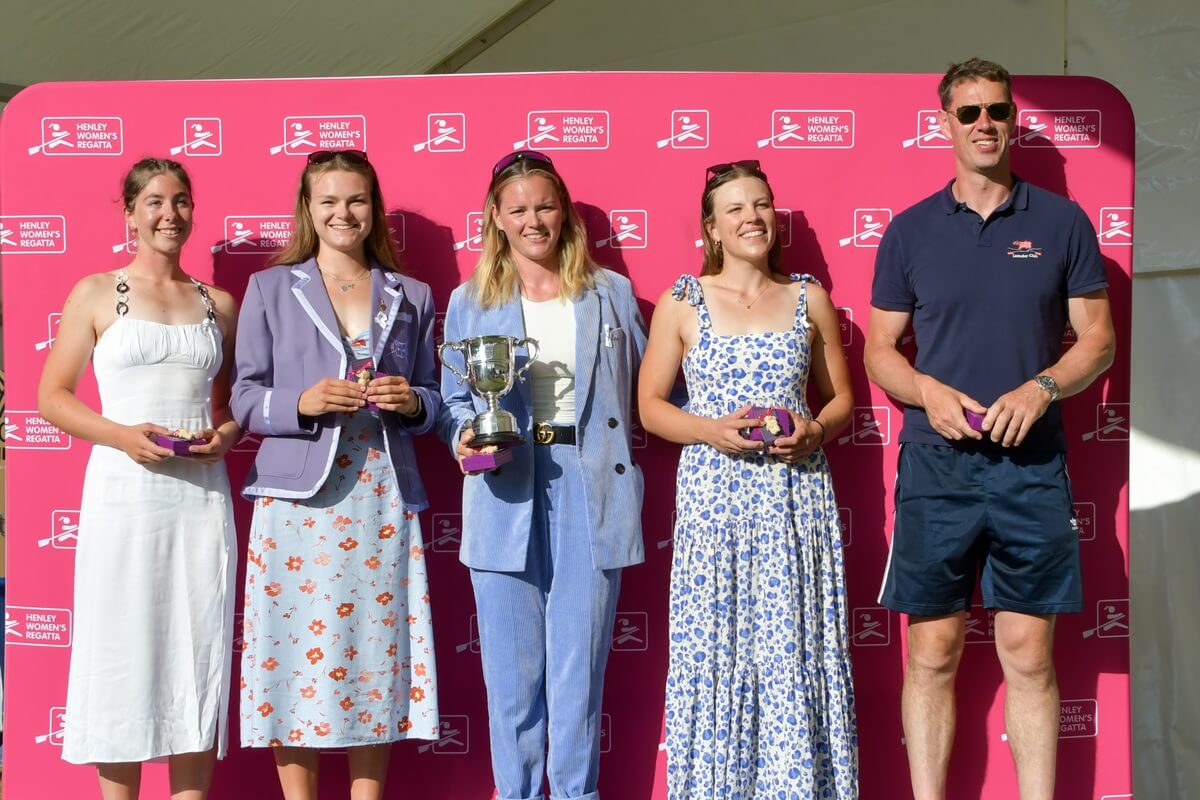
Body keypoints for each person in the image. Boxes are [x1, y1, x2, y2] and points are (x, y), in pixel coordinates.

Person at [864, 58, 1116, 800]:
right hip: (936, 466)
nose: (985, 125)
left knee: (1029, 653)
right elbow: (881, 350)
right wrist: (926, 392)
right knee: (934, 651)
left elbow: (1097, 341)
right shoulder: (909, 232)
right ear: (944, 122)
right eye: (969, 112)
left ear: (1013, 122)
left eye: (998, 112)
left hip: (1031, 467)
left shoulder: (1062, 222)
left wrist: (1043, 388)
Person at [638, 159, 859, 798]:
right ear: (712, 228)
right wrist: (710, 429)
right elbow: (651, 406)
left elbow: (841, 399)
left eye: (761, 204)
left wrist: (814, 432)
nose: (752, 217)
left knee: (794, 648)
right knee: (719, 648)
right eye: (735, 209)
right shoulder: (682, 302)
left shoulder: (808, 297)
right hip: (714, 501)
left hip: (795, 498)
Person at [436, 150, 646, 800]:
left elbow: (653, 388)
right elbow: (452, 403)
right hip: (504, 488)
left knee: (577, 678)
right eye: (519, 209)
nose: (534, 220)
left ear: (565, 212)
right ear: (496, 217)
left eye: (545, 206)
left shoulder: (609, 293)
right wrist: (465, 433)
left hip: (591, 487)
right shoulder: (470, 301)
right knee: (511, 679)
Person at [232, 150, 441, 800]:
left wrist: (411, 402)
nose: (343, 213)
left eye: (355, 200)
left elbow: (435, 400)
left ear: (372, 207)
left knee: (373, 654)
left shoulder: (413, 295)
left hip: (381, 496)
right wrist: (302, 403)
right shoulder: (271, 288)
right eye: (329, 200)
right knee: (291, 660)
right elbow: (243, 399)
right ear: (308, 208)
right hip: (297, 503)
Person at [37, 157, 240, 800]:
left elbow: (232, 407)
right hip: (123, 497)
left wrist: (227, 436)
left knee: (197, 645)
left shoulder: (221, 305)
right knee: (121, 651)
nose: (169, 214)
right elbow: (52, 396)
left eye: (180, 201)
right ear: (129, 212)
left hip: (201, 502)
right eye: (154, 202)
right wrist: (122, 435)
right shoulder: (95, 292)